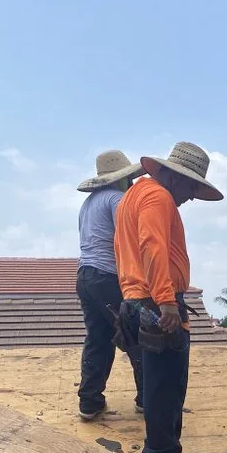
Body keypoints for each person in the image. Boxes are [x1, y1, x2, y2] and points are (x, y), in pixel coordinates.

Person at [114, 142, 223, 453]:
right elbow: (152, 246)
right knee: (166, 388)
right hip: (154, 303)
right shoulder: (159, 198)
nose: (192, 196)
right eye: (191, 186)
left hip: (136, 300)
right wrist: (166, 302)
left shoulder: (135, 194)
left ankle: (167, 451)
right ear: (174, 177)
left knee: (162, 386)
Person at [76, 150, 144, 421]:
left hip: (85, 276)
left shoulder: (89, 203)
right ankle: (147, 400)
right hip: (108, 277)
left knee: (98, 338)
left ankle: (89, 402)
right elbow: (129, 240)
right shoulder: (118, 200)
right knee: (136, 336)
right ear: (122, 178)